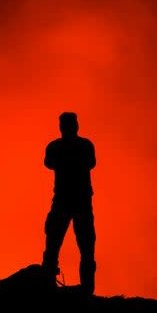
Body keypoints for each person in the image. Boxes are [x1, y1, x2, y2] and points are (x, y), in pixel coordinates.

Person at [41, 111, 97, 294]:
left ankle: (49, 284)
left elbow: (49, 163)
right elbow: (91, 163)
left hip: (66, 200)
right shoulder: (85, 145)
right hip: (78, 201)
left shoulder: (55, 147)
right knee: (82, 244)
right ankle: (86, 288)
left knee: (56, 242)